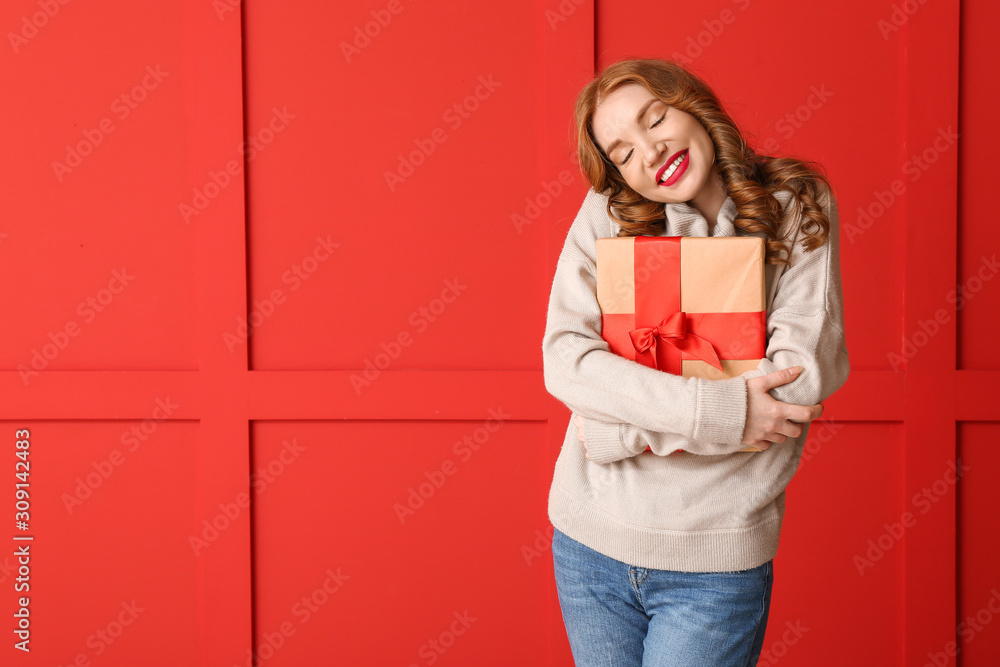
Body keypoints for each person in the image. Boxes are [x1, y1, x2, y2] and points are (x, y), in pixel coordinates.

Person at [541, 58, 850, 666]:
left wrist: (611, 428)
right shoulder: (608, 213)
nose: (650, 153)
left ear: (694, 107)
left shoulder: (796, 204)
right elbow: (565, 361)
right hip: (589, 543)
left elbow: (791, 391)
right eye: (623, 153)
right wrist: (727, 410)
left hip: (714, 561)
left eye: (655, 119)